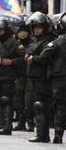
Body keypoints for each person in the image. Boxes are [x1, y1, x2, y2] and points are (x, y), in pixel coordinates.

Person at [0, 18, 25, 136]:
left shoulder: (14, 42)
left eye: (1, 31)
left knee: (6, 100)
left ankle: (7, 126)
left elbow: (23, 57)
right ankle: (0, 125)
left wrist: (11, 62)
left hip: (8, 76)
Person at [25, 11, 57, 142]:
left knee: (41, 106)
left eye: (39, 27)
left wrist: (33, 58)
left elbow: (45, 58)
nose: (37, 30)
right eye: (35, 28)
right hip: (34, 77)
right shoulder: (37, 41)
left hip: (43, 78)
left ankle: (42, 135)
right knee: (38, 106)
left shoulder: (48, 41)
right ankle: (42, 134)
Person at [35, 12, 66, 144]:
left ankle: (58, 135)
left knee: (60, 106)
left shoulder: (56, 43)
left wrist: (32, 58)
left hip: (59, 78)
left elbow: (43, 57)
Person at [13, 21, 35, 132]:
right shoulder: (16, 43)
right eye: (20, 31)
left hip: (30, 76)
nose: (22, 33)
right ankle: (21, 122)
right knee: (20, 100)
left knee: (29, 101)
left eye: (24, 31)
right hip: (20, 75)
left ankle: (30, 122)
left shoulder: (32, 43)